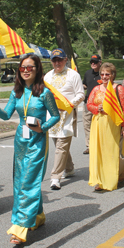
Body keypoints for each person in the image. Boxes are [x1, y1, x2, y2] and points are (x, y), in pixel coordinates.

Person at [0, 54, 59, 245]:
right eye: (22, 68)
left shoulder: (45, 92)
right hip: (20, 140)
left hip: (37, 141)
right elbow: (5, 115)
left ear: (37, 70)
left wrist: (42, 127)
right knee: (20, 181)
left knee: (28, 182)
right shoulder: (16, 93)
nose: (26, 70)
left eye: (30, 67)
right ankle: (38, 216)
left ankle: (20, 227)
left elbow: (55, 116)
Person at [44, 48, 84, 190]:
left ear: (65, 60)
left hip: (67, 116)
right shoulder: (47, 76)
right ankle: (70, 168)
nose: (57, 63)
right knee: (59, 145)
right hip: (52, 117)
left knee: (61, 146)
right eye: (54, 60)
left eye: (60, 60)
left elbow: (81, 94)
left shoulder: (73, 75)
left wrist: (70, 104)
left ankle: (55, 177)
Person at [87, 62, 124, 191]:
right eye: (102, 74)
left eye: (107, 74)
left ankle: (117, 174)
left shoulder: (119, 89)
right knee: (100, 151)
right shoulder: (96, 89)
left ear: (113, 75)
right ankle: (101, 179)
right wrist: (97, 108)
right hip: (98, 123)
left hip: (113, 123)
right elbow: (89, 104)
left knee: (113, 151)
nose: (105, 76)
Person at [82, 54, 102, 154]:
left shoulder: (103, 74)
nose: (93, 64)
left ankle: (100, 145)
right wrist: (82, 86)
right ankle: (90, 146)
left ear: (100, 62)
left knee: (100, 125)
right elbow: (85, 84)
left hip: (100, 104)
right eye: (91, 62)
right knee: (87, 124)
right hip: (87, 103)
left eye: (95, 62)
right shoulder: (87, 73)